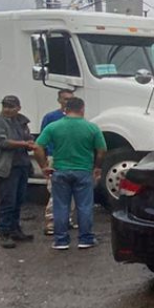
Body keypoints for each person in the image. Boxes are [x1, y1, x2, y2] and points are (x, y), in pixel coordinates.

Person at [32, 97, 107, 251]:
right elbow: (102, 149)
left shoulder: (54, 126)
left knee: (61, 206)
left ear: (65, 109)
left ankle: (61, 241)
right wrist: (97, 167)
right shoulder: (92, 128)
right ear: (82, 108)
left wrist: (44, 166)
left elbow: (38, 146)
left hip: (60, 171)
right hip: (83, 171)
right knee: (84, 206)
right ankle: (85, 239)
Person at [0, 95, 35, 248]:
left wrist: (30, 141)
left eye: (11, 107)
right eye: (5, 106)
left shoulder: (21, 121)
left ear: (18, 108)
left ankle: (15, 229)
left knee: (19, 200)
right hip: (6, 168)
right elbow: (0, 141)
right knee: (8, 201)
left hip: (22, 165)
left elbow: (28, 137)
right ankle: (4, 233)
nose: (7, 109)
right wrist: (24, 143)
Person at [40, 88, 75, 236]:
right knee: (55, 190)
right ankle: (51, 222)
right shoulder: (51, 117)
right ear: (59, 100)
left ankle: (67, 219)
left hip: (72, 158)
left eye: (70, 99)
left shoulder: (77, 118)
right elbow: (43, 139)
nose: (68, 102)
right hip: (55, 157)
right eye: (65, 99)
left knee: (72, 191)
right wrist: (47, 160)